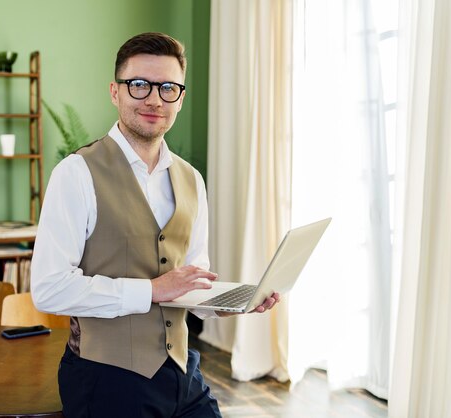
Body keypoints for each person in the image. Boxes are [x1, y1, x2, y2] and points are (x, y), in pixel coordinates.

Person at [31, 32, 279, 418]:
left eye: (167, 88)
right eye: (139, 85)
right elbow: (48, 290)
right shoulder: (76, 173)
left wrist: (230, 303)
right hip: (106, 379)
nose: (153, 99)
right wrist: (150, 290)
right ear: (115, 92)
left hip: (182, 372)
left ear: (180, 97)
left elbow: (189, 283)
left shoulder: (191, 179)